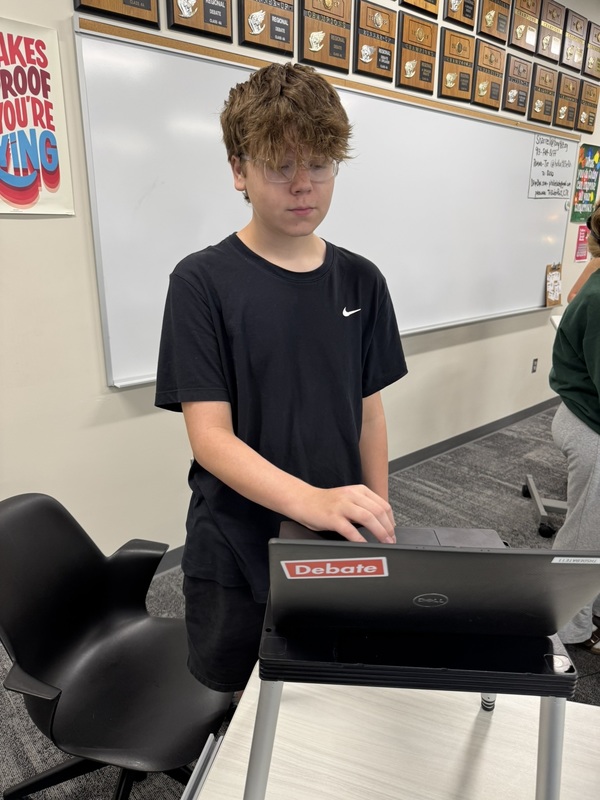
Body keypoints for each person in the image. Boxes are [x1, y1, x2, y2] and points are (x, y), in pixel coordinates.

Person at [155, 63, 408, 692]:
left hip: (335, 533)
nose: (304, 186)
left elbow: (368, 413)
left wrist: (378, 517)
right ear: (239, 171)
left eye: (320, 166)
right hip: (236, 544)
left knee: (325, 689)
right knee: (234, 699)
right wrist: (311, 501)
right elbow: (210, 439)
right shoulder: (201, 282)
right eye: (280, 166)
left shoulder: (361, 281)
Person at [550, 201, 600, 652]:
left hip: (588, 419)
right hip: (589, 430)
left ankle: (589, 610)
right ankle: (565, 628)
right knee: (584, 538)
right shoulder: (599, 298)